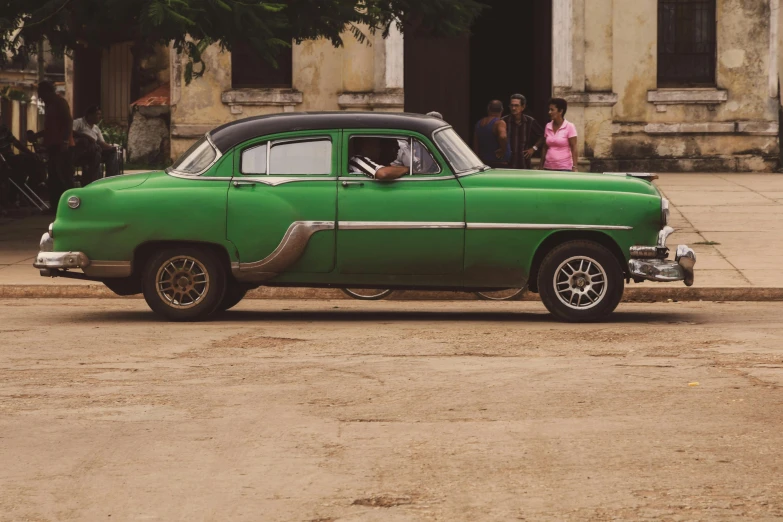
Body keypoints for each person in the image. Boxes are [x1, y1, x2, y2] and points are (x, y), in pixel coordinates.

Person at [33, 81, 74, 209]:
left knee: (63, 176)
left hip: (61, 145)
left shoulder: (59, 102)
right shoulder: (49, 105)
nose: (41, 97)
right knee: (53, 177)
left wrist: (65, 141)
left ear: (48, 92)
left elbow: (68, 121)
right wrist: (37, 136)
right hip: (52, 145)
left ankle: (71, 204)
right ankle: (55, 206)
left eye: (42, 94)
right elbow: (51, 127)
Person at [349, 137, 436, 180]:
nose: (397, 150)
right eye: (392, 146)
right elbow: (383, 174)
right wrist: (409, 169)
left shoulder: (379, 161)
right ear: (367, 146)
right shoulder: (357, 160)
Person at [73, 106, 119, 182]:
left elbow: (101, 142)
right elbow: (70, 132)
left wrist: (111, 147)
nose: (99, 117)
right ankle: (93, 180)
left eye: (100, 114)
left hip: (96, 150)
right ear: (89, 115)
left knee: (112, 152)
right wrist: (86, 136)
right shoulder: (78, 122)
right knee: (95, 150)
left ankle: (111, 180)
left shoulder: (96, 128)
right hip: (81, 152)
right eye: (97, 114)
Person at [503, 94, 544, 170]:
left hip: (524, 163)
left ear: (523, 107)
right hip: (507, 163)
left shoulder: (530, 121)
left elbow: (543, 135)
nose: (513, 108)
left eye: (516, 105)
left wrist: (534, 148)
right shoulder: (504, 121)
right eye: (511, 105)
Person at [539, 97, 578, 172]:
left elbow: (574, 147)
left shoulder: (570, 126)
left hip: (564, 168)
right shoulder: (548, 126)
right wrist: (541, 166)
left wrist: (575, 166)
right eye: (549, 109)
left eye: (552, 110)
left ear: (560, 111)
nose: (549, 112)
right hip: (548, 167)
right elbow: (545, 147)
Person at [472, 100, 509, 168]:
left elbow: (476, 144)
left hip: (484, 162)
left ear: (488, 109)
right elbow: (503, 136)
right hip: (499, 162)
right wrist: (503, 150)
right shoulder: (499, 123)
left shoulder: (479, 123)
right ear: (502, 110)